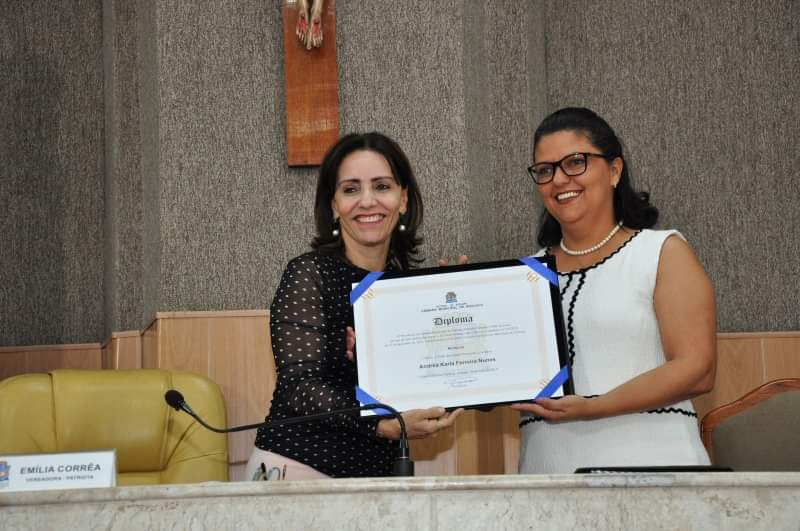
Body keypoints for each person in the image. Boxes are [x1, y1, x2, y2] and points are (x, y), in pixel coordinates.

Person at [245, 132, 461, 480]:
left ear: (403, 199)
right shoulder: (309, 274)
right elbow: (299, 386)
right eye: (350, 189)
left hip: (378, 477)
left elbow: (430, 384)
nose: (367, 201)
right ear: (334, 205)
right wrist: (380, 425)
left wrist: (458, 318)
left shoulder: (409, 292)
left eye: (382, 186)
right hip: (300, 469)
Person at [513, 107, 717, 473]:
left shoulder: (660, 252)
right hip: (548, 471)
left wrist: (593, 406)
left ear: (614, 170)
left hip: (654, 469)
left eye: (575, 162)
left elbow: (697, 368)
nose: (559, 179)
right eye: (545, 170)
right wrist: (457, 305)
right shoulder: (524, 277)